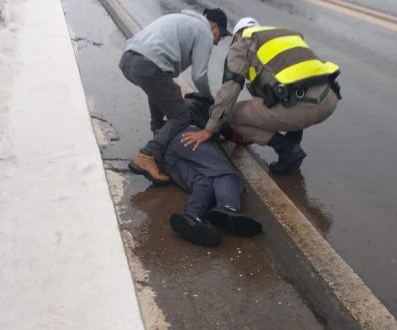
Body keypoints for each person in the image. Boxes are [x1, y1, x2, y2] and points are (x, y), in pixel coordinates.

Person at [180, 17, 342, 174]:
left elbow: (230, 90)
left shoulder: (242, 43)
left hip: (298, 110)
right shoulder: (285, 34)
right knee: (294, 90)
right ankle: (294, 142)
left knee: (230, 114)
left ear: (237, 35)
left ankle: (287, 149)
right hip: (329, 101)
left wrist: (209, 129)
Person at [119, 8, 232, 185]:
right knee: (181, 115)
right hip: (149, 65)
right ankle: (147, 155)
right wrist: (208, 98)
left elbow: (159, 88)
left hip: (128, 61)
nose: (218, 42)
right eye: (221, 36)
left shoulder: (179, 18)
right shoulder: (204, 32)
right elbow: (199, 75)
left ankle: (157, 131)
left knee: (162, 89)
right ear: (215, 26)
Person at [164, 96, 263, 247]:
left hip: (170, 156)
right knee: (225, 174)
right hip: (190, 136)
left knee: (205, 182)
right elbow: (230, 131)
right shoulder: (205, 110)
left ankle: (191, 216)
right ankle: (227, 206)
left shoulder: (177, 113)